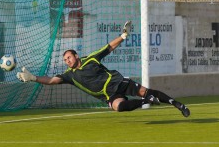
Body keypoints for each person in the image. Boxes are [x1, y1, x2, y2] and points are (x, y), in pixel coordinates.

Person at [17, 21, 190, 117]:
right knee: (118, 107)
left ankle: (177, 104)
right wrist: (33, 78)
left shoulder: (91, 58)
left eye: (69, 57)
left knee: (145, 90)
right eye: (64, 60)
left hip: (118, 82)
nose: (67, 61)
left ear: (76, 56)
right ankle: (147, 102)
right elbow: (52, 80)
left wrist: (123, 36)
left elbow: (108, 47)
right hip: (109, 95)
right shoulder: (69, 75)